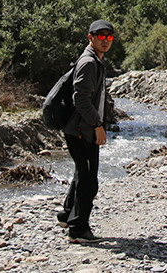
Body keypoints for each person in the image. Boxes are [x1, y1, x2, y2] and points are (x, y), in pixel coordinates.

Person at [58, 19, 113, 244]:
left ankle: (67, 215)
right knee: (89, 180)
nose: (105, 40)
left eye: (109, 36)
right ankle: (78, 229)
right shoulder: (89, 62)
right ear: (90, 37)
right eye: (100, 36)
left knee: (82, 173)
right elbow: (80, 99)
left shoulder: (95, 60)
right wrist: (97, 126)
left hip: (82, 128)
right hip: (82, 130)